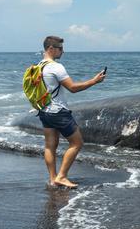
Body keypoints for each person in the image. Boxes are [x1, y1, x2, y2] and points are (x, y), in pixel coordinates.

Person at [36, 35, 106, 188]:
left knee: (49, 146)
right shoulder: (56, 67)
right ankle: (62, 176)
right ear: (51, 49)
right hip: (58, 112)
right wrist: (94, 81)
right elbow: (73, 88)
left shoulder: (39, 65)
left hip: (44, 110)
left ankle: (53, 179)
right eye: (60, 48)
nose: (63, 51)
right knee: (77, 143)